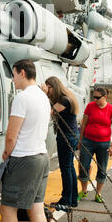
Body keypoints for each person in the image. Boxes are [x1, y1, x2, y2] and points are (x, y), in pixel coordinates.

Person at [0, 59, 50, 222]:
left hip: (23, 158)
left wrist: (6, 154)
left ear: (22, 72)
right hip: (41, 157)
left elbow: (12, 135)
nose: (12, 80)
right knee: (36, 208)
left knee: (8, 209)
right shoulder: (43, 96)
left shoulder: (22, 98)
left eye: (13, 75)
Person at [41, 76, 79, 208]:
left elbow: (49, 112)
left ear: (53, 86)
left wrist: (43, 95)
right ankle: (73, 198)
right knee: (69, 167)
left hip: (66, 136)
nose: (48, 91)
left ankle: (66, 199)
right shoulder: (68, 97)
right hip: (71, 135)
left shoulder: (63, 100)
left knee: (66, 168)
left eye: (49, 88)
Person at [78, 87, 112, 203]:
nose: (94, 99)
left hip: (104, 143)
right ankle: (84, 190)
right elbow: (84, 125)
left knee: (102, 168)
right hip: (88, 141)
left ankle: (98, 193)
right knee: (83, 166)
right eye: (93, 97)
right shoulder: (90, 106)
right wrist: (80, 141)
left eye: (97, 97)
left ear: (104, 97)